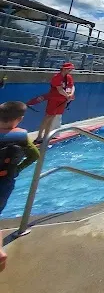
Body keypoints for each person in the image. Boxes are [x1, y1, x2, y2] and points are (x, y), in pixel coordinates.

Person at [0, 101, 41, 272]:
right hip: (5, 181)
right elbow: (35, 155)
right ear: (20, 119)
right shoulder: (22, 137)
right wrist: (17, 169)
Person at [31, 62, 76, 144]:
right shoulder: (57, 77)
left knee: (52, 118)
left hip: (62, 101)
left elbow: (72, 86)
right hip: (54, 100)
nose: (70, 70)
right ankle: (39, 136)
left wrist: (71, 94)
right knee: (48, 117)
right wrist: (68, 96)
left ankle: (46, 136)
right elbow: (60, 89)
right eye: (69, 69)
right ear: (64, 69)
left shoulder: (69, 77)